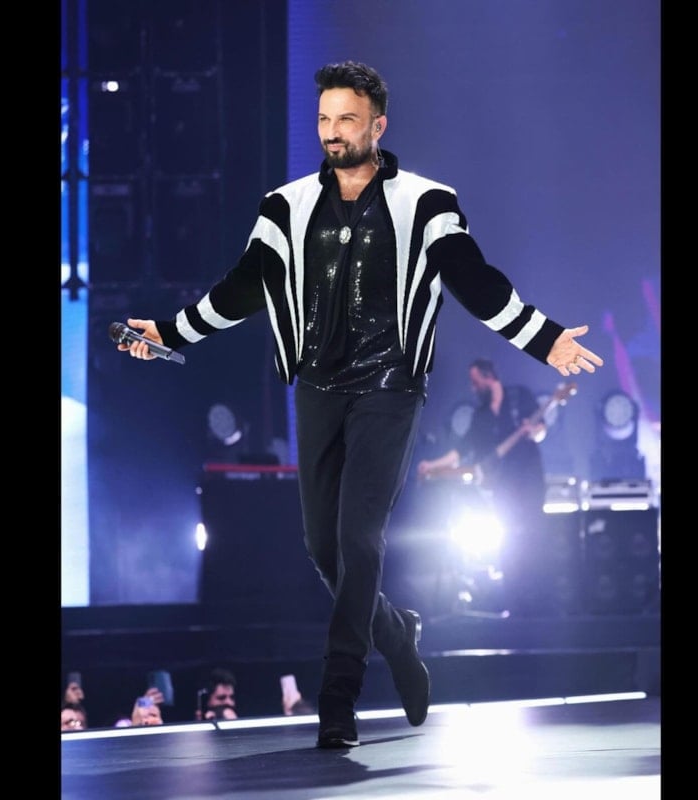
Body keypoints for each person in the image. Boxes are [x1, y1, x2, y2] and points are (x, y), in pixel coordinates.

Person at [115, 60, 603, 748]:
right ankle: (398, 635)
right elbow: (243, 287)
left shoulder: (427, 202)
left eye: (346, 118)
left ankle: (338, 694)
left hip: (390, 389)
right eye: (324, 118)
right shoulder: (284, 206)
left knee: (358, 537)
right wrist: (169, 332)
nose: (332, 131)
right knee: (323, 546)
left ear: (378, 125)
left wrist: (543, 338)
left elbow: (474, 280)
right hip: (317, 388)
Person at [417, 358, 549, 613]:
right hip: (503, 488)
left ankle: (539, 604)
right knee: (509, 544)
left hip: (529, 482)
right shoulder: (480, 416)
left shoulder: (519, 397)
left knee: (534, 539)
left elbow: (541, 429)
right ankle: (514, 604)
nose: (473, 388)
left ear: (489, 377)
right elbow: (460, 451)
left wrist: (533, 431)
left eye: (476, 382)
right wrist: (432, 465)